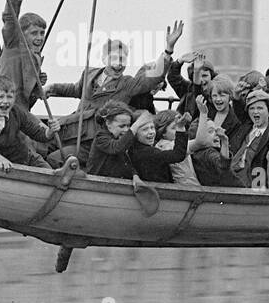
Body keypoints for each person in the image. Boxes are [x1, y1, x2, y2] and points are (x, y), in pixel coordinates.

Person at [44, 20, 184, 166]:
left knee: (55, 158)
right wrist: (51, 88)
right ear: (104, 59)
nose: (119, 64)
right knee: (44, 145)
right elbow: (75, 89)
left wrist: (168, 49)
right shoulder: (89, 73)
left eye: (123, 60)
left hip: (93, 141)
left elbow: (153, 78)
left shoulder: (127, 83)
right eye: (114, 58)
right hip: (74, 130)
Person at [0, 0, 48, 110]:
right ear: (22, 34)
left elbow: (27, 97)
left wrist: (37, 85)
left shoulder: (36, 59)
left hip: (20, 111)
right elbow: (10, 19)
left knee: (45, 132)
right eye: (34, 33)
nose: (40, 37)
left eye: (42, 33)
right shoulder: (13, 44)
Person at [0, 76, 58, 171]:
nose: (5, 101)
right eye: (0, 97)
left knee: (52, 176)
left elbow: (36, 132)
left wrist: (50, 131)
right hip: (2, 164)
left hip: (26, 158)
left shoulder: (16, 112)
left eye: (9, 97)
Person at [228, 89, 269, 189]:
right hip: (233, 175)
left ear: (268, 110)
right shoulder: (246, 126)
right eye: (252, 108)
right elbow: (238, 108)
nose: (255, 111)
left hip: (255, 181)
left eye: (260, 108)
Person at [130, 110, 190, 183]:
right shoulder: (149, 153)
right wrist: (180, 128)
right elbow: (178, 155)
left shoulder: (133, 147)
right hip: (161, 191)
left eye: (152, 127)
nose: (151, 132)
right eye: (145, 129)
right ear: (135, 133)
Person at [85, 100, 138, 178]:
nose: (126, 130)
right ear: (108, 123)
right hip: (97, 184)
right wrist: (136, 127)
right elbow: (116, 148)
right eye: (122, 126)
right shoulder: (101, 138)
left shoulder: (120, 139)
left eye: (128, 126)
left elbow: (126, 161)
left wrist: (135, 175)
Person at [152, 108, 202, 187]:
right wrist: (203, 113)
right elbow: (200, 142)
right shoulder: (166, 146)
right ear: (163, 132)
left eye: (179, 126)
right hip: (185, 189)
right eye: (174, 128)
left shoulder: (168, 143)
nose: (177, 129)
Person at [166, 52, 216, 121]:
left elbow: (198, 91)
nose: (201, 80)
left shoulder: (216, 93)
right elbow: (173, 77)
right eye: (197, 75)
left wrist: (197, 71)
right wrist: (180, 60)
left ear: (212, 76)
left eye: (204, 76)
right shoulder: (188, 88)